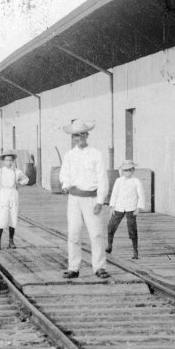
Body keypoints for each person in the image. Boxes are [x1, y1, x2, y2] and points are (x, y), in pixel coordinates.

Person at [59, 119, 110, 279]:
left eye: (82, 135)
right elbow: (64, 173)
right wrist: (65, 184)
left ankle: (99, 267)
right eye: (75, 136)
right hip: (74, 199)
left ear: (87, 135)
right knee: (73, 234)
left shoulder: (96, 154)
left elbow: (103, 178)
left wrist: (100, 200)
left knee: (96, 234)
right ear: (72, 138)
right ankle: (73, 267)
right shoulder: (69, 155)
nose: (79, 138)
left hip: (91, 199)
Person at [106, 160, 146, 259]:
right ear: (122, 171)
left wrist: (138, 208)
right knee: (111, 226)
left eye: (129, 170)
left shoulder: (136, 181)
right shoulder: (118, 181)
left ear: (133, 170)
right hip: (119, 207)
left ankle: (135, 251)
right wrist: (112, 206)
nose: (127, 173)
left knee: (132, 228)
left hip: (131, 207)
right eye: (125, 171)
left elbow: (141, 195)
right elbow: (114, 194)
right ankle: (109, 245)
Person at [0, 151, 29, 250]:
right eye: (7, 160)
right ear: (3, 161)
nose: (9, 162)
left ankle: (11, 241)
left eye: (10, 160)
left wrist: (20, 183)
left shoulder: (16, 171)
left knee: (13, 217)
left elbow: (26, 179)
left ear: (13, 161)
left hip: (13, 194)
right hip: (3, 194)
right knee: (1, 217)